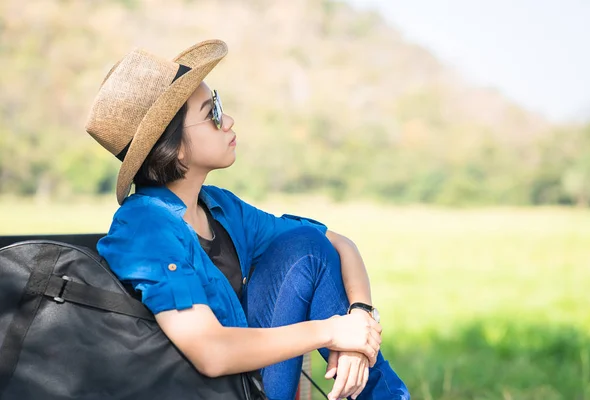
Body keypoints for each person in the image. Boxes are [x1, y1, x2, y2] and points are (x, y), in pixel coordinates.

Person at [86, 39, 409, 400]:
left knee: (306, 246)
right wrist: (333, 331)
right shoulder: (145, 227)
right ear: (174, 145)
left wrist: (359, 320)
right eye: (212, 112)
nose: (228, 120)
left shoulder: (220, 208)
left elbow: (337, 244)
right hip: (209, 389)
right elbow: (210, 352)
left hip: (249, 382)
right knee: (307, 250)